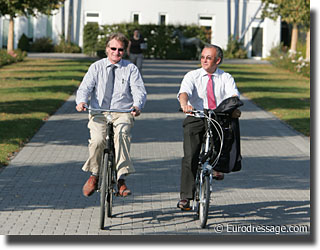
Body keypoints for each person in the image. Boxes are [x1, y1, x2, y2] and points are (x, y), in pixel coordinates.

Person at [76, 32, 147, 197]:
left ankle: (121, 179)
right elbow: (85, 87)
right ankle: (94, 174)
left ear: (125, 51)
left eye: (120, 50)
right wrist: (81, 101)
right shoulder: (96, 67)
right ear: (107, 49)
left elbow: (139, 90)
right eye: (113, 48)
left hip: (122, 112)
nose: (116, 52)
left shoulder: (130, 69)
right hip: (98, 112)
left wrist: (137, 105)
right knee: (97, 140)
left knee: (122, 135)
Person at [177, 44, 241, 210]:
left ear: (217, 60)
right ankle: (186, 197)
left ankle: (218, 165)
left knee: (223, 137)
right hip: (196, 115)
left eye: (208, 58)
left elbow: (233, 95)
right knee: (190, 156)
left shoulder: (225, 77)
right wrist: (185, 105)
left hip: (217, 117)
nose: (204, 60)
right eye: (203, 57)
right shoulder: (193, 75)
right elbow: (184, 92)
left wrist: (233, 107)